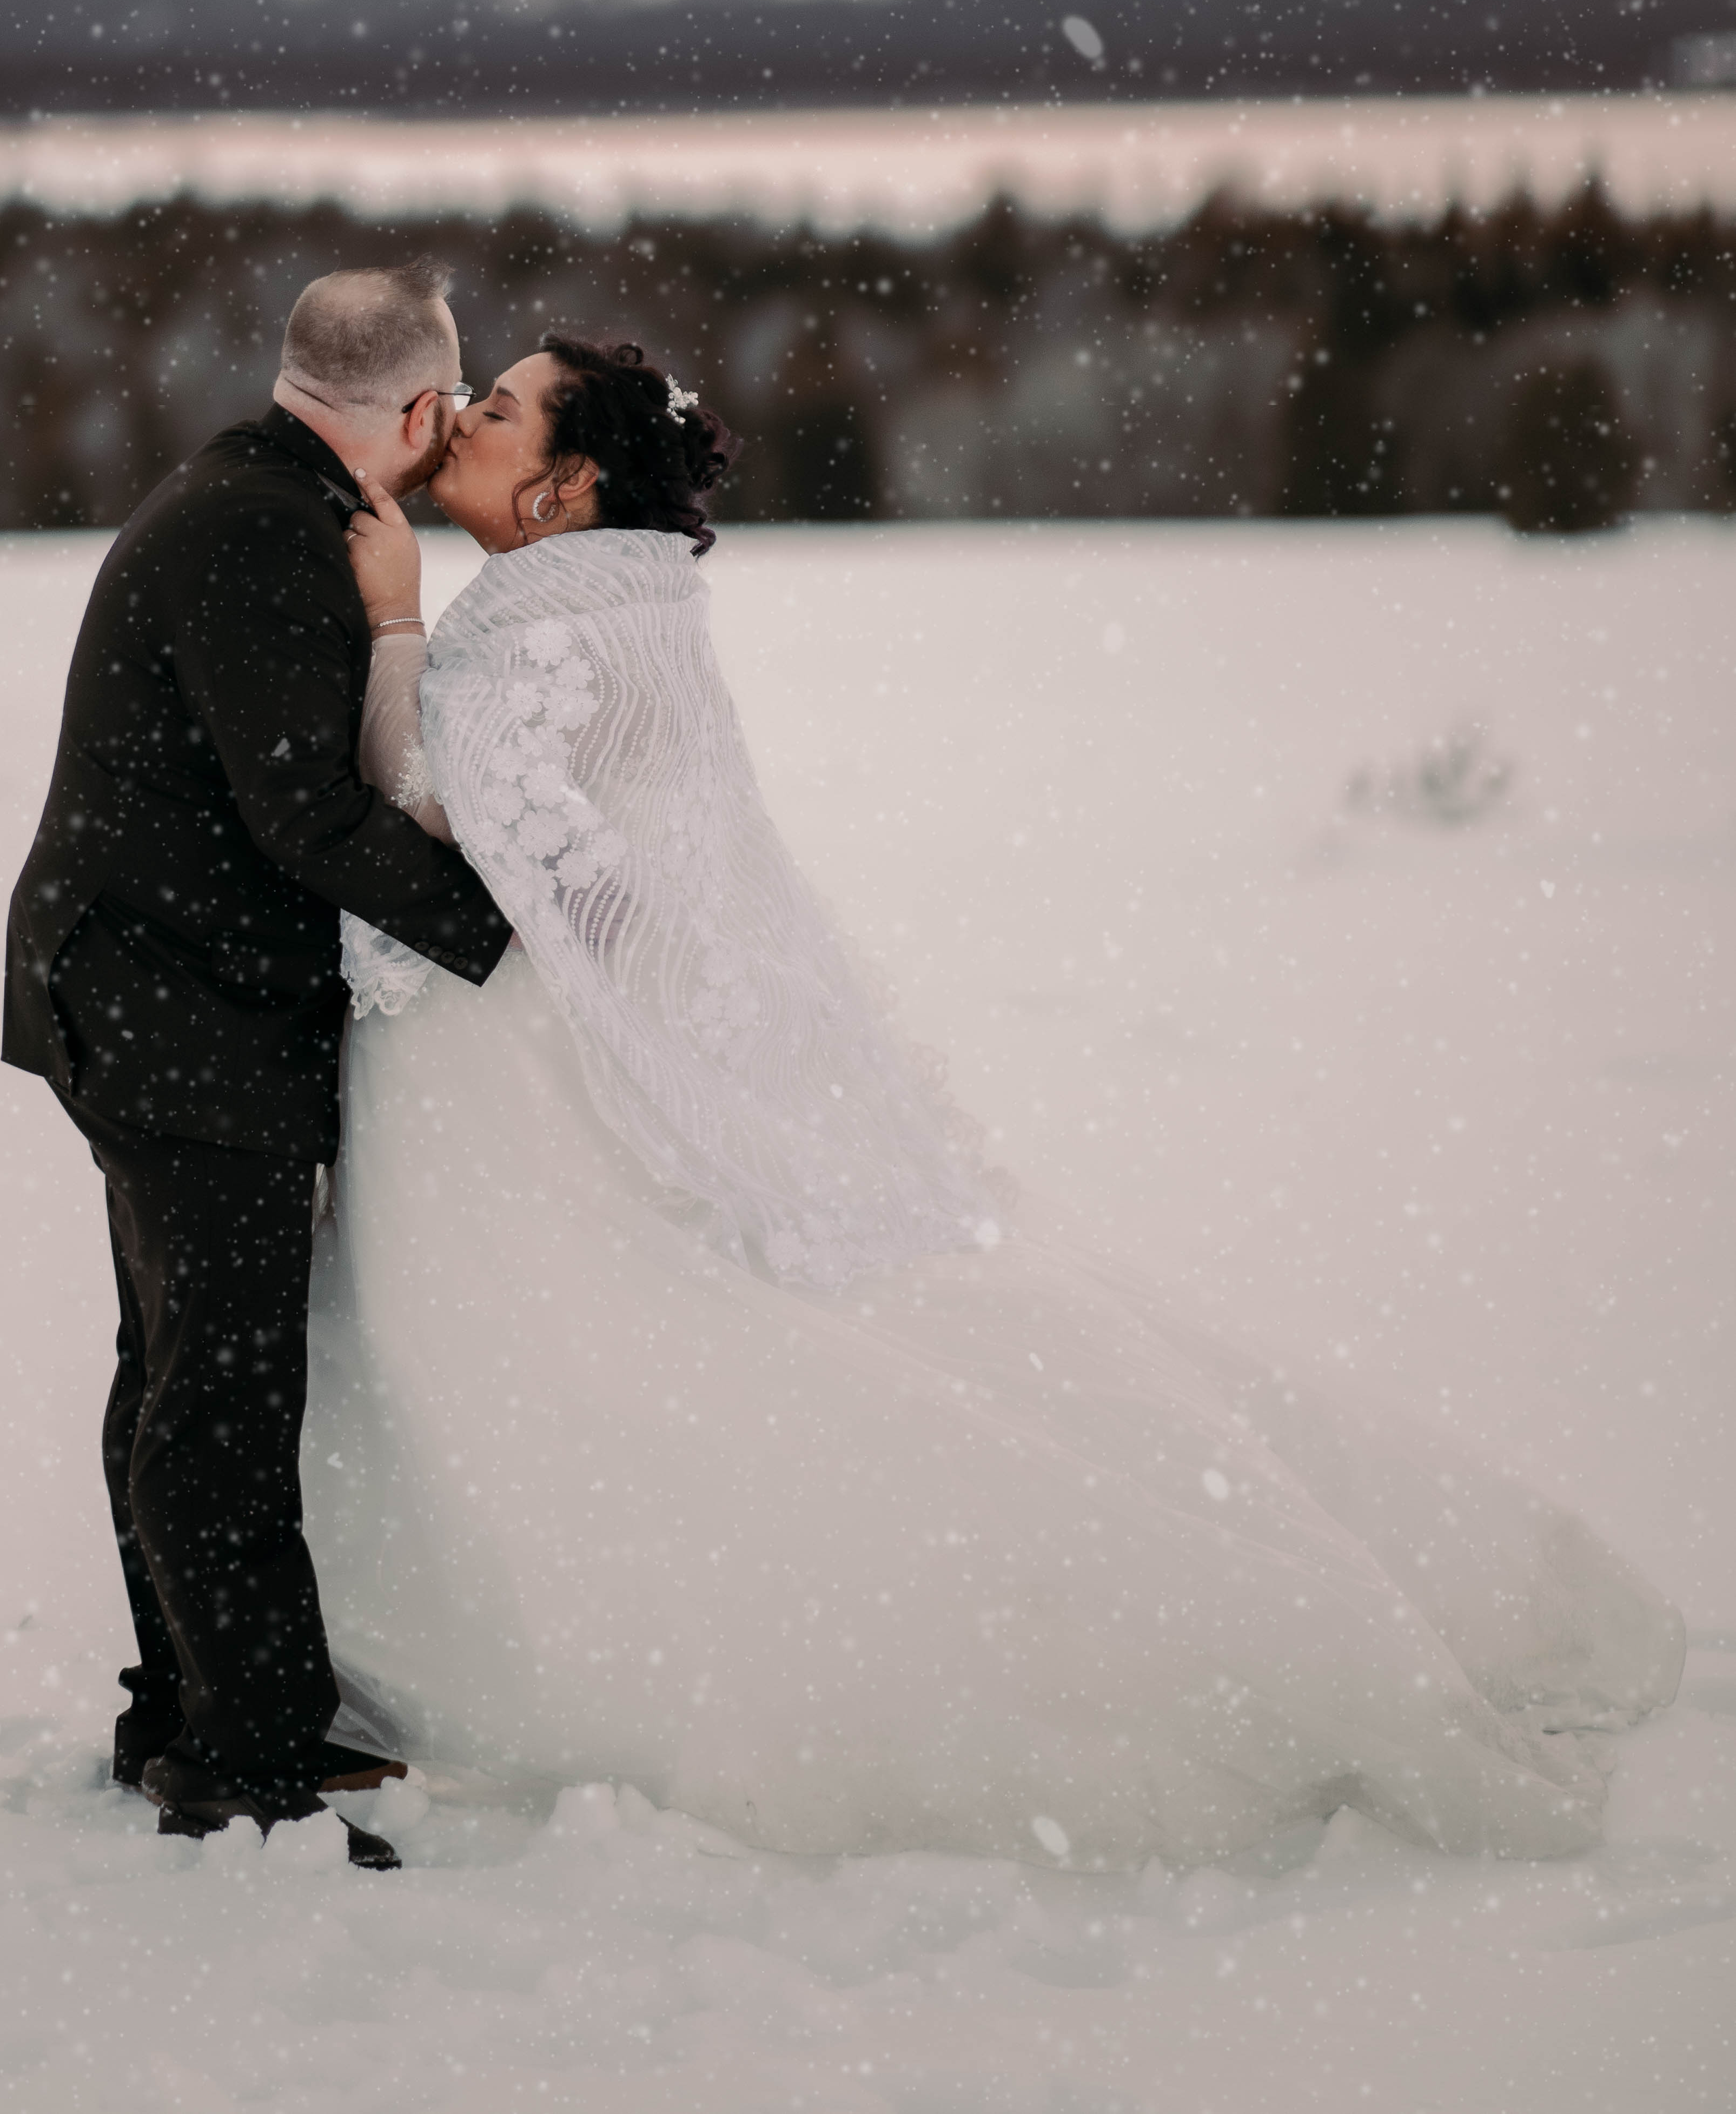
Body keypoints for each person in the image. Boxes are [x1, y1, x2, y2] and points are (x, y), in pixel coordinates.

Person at [306, 333, 1684, 1867]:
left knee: (609, 1373)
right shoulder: (637, 602)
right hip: (594, 1048)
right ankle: (1333, 1607)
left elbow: (471, 832)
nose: (465, 428)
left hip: (521, 1080)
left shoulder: (528, 632)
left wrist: (391, 627)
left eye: (495, 412)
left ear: (562, 484)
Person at [3, 259, 513, 1859]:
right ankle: (231, 1753)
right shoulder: (262, 530)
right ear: (420, 409)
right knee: (213, 1387)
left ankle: (216, 1708)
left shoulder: (259, 495)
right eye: (456, 407)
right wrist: (513, 929)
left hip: (157, 992)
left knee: (178, 1368)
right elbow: (308, 817)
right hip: (172, 1009)